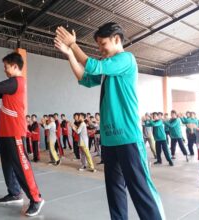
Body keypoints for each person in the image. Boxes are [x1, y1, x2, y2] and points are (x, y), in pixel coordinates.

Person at [55, 22, 165, 220]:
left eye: (102, 44)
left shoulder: (126, 59)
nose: (100, 49)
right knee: (114, 192)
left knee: (140, 190)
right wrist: (70, 54)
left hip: (128, 138)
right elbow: (84, 78)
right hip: (109, 140)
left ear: (116, 39)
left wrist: (74, 45)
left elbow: (94, 66)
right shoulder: (107, 69)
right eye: (97, 45)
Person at [0, 52, 44, 217]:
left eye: (7, 67)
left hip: (15, 131)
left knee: (22, 166)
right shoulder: (11, 84)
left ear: (15, 66)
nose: (5, 70)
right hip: (5, 132)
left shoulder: (16, 82)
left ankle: (36, 199)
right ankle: (15, 193)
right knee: (7, 164)